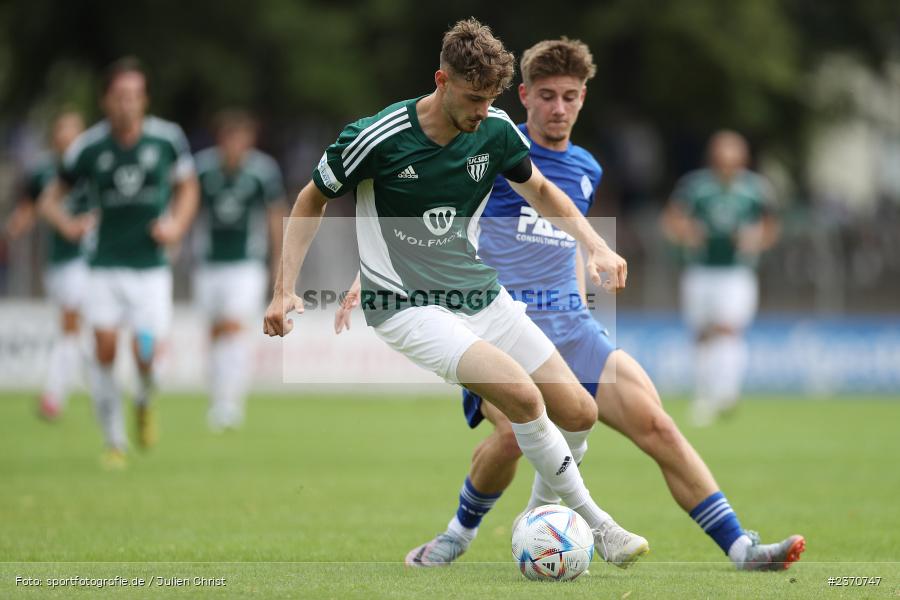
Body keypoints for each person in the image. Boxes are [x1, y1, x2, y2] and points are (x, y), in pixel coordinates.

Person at [336, 37, 804, 572]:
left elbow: (566, 239)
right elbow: (426, 214)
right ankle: (457, 535)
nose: (559, 108)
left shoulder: (586, 167)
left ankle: (741, 548)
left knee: (657, 424)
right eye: (548, 95)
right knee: (514, 433)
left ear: (583, 99)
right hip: (495, 322)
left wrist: (590, 279)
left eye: (571, 96)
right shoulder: (488, 146)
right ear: (524, 96)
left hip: (573, 327)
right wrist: (366, 273)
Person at [264, 18, 650, 569]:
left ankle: (539, 521)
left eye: (490, 99)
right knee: (522, 397)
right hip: (405, 307)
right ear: (440, 80)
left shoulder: (493, 129)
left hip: (479, 295)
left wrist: (594, 246)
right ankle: (599, 526)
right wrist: (284, 290)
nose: (481, 113)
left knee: (580, 411)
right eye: (472, 99)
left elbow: (539, 188)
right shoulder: (376, 137)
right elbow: (309, 200)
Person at [39, 57, 199, 468]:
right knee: (105, 350)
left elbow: (188, 188)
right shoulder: (88, 148)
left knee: (146, 352)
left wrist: (177, 226)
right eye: (120, 96)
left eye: (135, 95)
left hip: (150, 269)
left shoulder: (167, 140)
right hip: (103, 267)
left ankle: (145, 400)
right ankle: (114, 441)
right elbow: (49, 200)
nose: (128, 103)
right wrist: (68, 225)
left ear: (144, 99)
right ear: (106, 101)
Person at [662, 131, 780, 426]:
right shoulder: (695, 187)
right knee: (701, 333)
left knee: (729, 328)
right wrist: (687, 234)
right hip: (700, 270)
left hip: (735, 272)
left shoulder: (755, 190)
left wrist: (755, 242)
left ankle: (727, 392)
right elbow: (671, 220)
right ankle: (704, 394)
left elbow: (770, 227)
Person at [193, 110, 287, 431]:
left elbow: (275, 215)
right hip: (208, 263)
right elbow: (188, 206)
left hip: (246, 264)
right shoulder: (202, 170)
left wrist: (280, 261)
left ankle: (230, 404)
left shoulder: (262, 172)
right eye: (229, 139)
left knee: (234, 327)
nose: (235, 146)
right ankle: (218, 397)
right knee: (215, 332)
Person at [5, 110, 88, 420]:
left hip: (97, 261)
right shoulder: (43, 171)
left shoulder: (94, 164)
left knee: (76, 329)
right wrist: (13, 229)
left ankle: (54, 394)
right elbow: (27, 209)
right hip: (63, 262)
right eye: (62, 133)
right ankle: (68, 392)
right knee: (73, 329)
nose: (67, 140)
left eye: (73, 133)